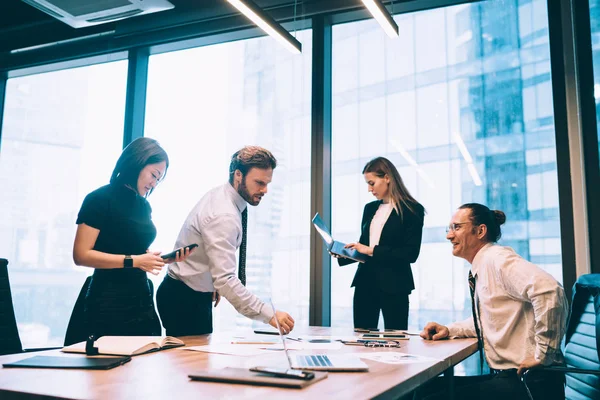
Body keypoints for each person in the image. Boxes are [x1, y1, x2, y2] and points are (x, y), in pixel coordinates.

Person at [418, 203, 568, 400]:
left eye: (457, 227)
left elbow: (549, 291)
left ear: (480, 231)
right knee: (423, 388)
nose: (449, 235)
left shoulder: (497, 259)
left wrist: (543, 355)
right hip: (511, 377)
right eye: (450, 228)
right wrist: (450, 330)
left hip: (530, 382)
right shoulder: (483, 264)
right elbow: (490, 318)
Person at [157, 145, 295, 336]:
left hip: (192, 292)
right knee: (190, 364)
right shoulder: (224, 215)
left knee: (198, 362)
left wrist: (212, 284)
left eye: (267, 183)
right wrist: (269, 314)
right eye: (259, 183)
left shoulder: (225, 196)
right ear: (238, 175)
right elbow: (225, 279)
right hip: (184, 299)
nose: (265, 190)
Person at [72, 137, 193, 338]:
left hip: (141, 300)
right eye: (153, 175)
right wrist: (135, 261)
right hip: (109, 302)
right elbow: (81, 255)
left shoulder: (143, 205)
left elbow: (132, 249)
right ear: (137, 162)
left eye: (159, 179)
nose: (154, 184)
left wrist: (158, 260)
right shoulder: (99, 199)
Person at [338, 156, 425, 330]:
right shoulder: (369, 208)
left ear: (387, 177)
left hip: (395, 284)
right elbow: (364, 246)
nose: (370, 189)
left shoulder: (412, 210)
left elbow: (410, 254)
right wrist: (343, 252)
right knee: (362, 339)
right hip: (365, 283)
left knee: (397, 341)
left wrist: (371, 250)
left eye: (372, 183)